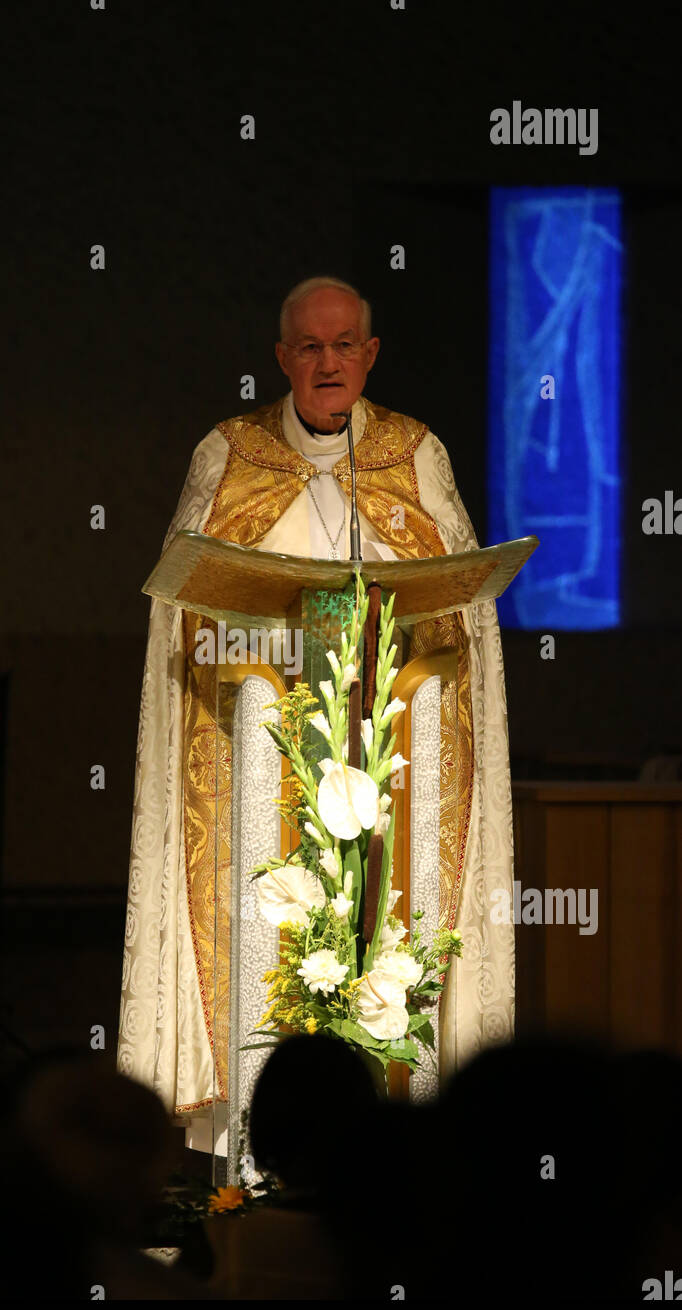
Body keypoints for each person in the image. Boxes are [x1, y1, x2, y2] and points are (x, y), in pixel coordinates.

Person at [117, 275, 514, 1139]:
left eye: (344, 346)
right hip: (256, 753)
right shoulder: (228, 453)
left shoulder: (416, 453)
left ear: (370, 355)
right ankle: (255, 1144)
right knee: (272, 940)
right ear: (281, 358)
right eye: (309, 347)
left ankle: (409, 1131)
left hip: (395, 754)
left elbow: (461, 608)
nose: (327, 363)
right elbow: (181, 604)